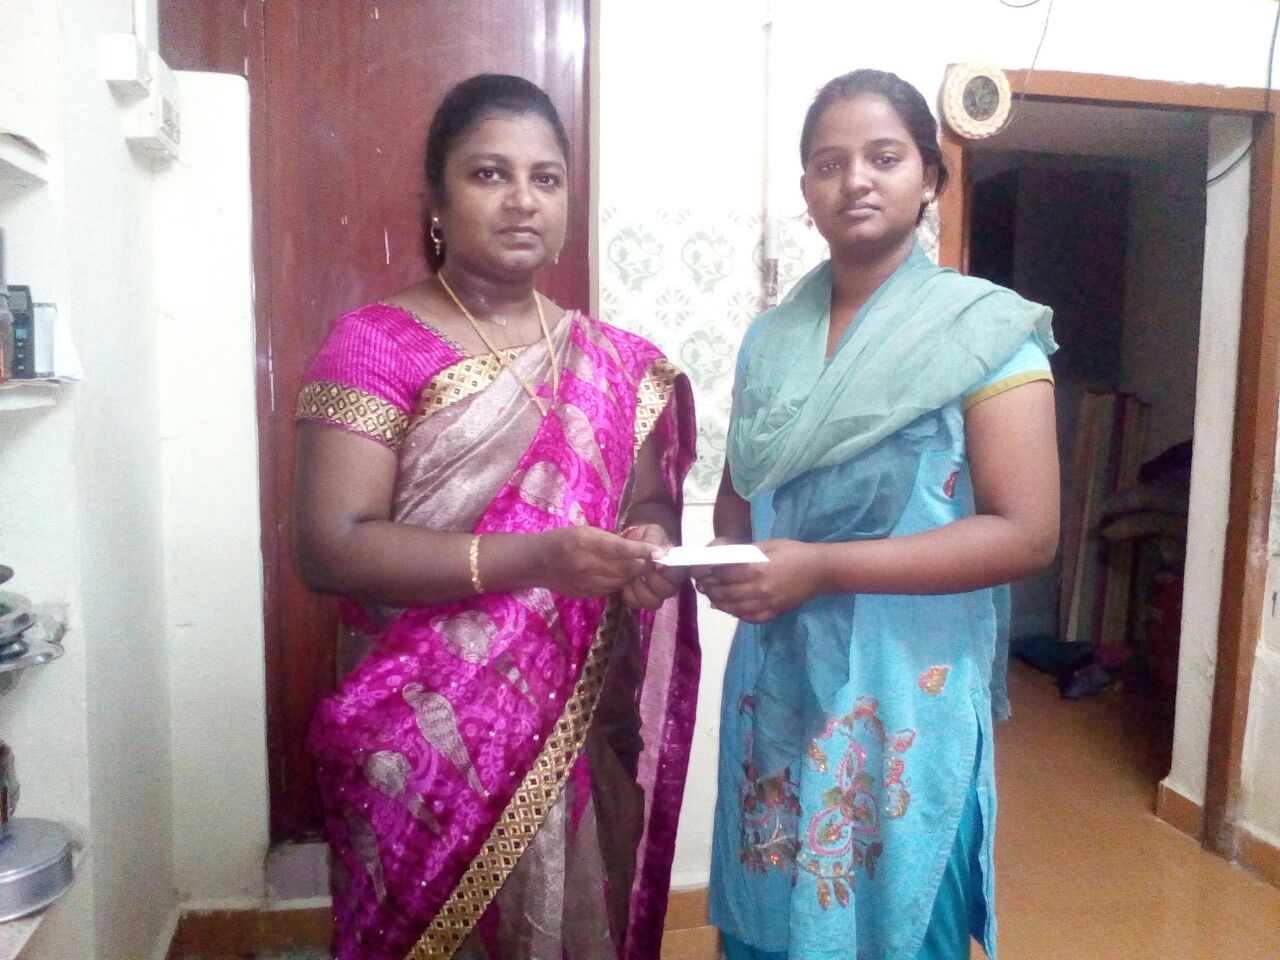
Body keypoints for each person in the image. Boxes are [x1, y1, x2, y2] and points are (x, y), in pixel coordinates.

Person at [293, 73, 699, 960]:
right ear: (437, 202)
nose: (523, 200)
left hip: (577, 731)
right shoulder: (375, 344)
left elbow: (644, 502)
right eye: (489, 174)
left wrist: (650, 542)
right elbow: (331, 546)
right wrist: (538, 560)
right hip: (418, 746)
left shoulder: (614, 360)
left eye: (546, 178)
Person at [698, 69, 1059, 960]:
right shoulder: (769, 340)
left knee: (899, 918)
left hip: (904, 688)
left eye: (884, 157)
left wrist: (822, 567)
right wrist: (720, 565)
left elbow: (1027, 533)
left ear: (930, 177)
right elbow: (742, 505)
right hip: (776, 680)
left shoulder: (985, 332)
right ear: (806, 189)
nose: (855, 179)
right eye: (829, 163)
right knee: (770, 914)